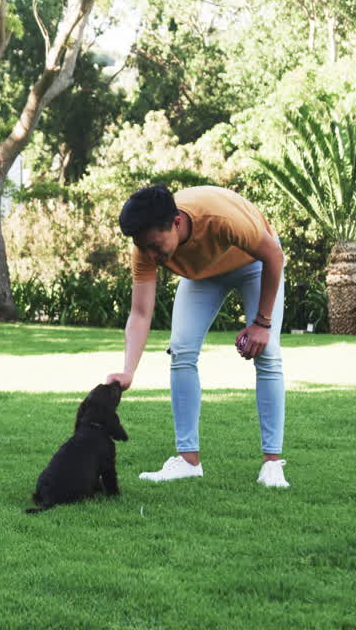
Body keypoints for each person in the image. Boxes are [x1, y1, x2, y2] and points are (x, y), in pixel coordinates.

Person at [105, 184, 289, 488]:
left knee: (267, 353)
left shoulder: (220, 218)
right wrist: (128, 370)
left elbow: (273, 255)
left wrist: (262, 323)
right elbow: (140, 313)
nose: (150, 254)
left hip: (253, 263)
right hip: (204, 275)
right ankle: (188, 461)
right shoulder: (144, 247)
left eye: (154, 245)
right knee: (181, 350)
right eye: (143, 247)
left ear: (176, 223)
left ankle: (272, 465)